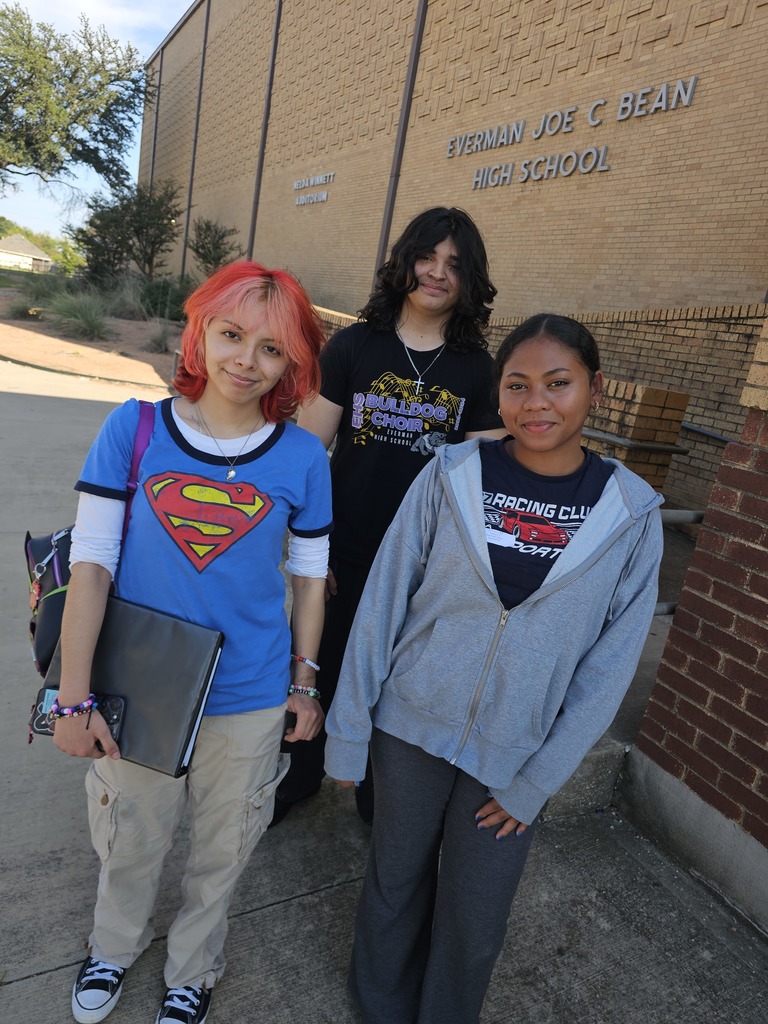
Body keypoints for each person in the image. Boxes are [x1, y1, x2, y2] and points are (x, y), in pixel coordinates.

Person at [324, 313, 664, 1023]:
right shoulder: (451, 474)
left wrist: (537, 781)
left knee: (475, 914)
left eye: (558, 383)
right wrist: (350, 728)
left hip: (513, 754)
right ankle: (379, 1006)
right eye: (517, 385)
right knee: (394, 881)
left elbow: (609, 667)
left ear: (595, 389)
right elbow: (383, 603)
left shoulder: (629, 512)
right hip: (409, 727)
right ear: (498, 396)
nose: (536, 402)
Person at [52, 261, 332, 1024]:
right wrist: (70, 697)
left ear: (293, 363)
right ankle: (111, 945)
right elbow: (90, 568)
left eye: (271, 348)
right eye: (232, 333)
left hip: (247, 690)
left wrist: (304, 683)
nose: (247, 360)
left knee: (225, 844)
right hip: (142, 688)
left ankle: (194, 968)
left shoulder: (303, 456)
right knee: (131, 833)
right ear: (201, 331)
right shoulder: (135, 429)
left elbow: (310, 579)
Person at [272, 206, 505, 826]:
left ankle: (378, 789)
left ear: (471, 278)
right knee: (319, 663)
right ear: (405, 262)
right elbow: (307, 459)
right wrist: (308, 555)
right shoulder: (354, 346)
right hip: (344, 548)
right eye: (427, 257)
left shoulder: (478, 371)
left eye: (454, 264)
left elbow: (482, 481)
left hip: (423, 563)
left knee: (396, 682)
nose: (437, 273)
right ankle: (296, 777)